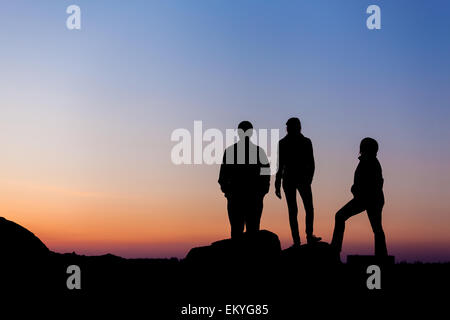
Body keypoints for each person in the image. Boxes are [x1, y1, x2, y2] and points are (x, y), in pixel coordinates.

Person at [331, 137, 388, 259]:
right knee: (377, 228)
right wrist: (355, 189)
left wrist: (359, 192)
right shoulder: (365, 161)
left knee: (341, 216)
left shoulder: (371, 162)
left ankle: (335, 251)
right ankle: (382, 257)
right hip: (367, 199)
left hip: (370, 200)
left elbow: (377, 183)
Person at [218, 121, 270, 239]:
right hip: (240, 197)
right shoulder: (256, 151)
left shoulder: (256, 151)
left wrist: (262, 191)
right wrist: (227, 192)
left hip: (249, 197)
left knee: (247, 231)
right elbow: (222, 176)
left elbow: (266, 173)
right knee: (242, 231)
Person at [275, 117, 321, 246]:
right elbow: (281, 165)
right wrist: (277, 184)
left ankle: (307, 236)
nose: (288, 129)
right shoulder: (283, 143)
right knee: (295, 210)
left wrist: (309, 178)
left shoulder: (305, 142)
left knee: (306, 208)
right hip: (291, 179)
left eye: (290, 126)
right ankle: (297, 240)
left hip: (301, 179)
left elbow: (311, 163)